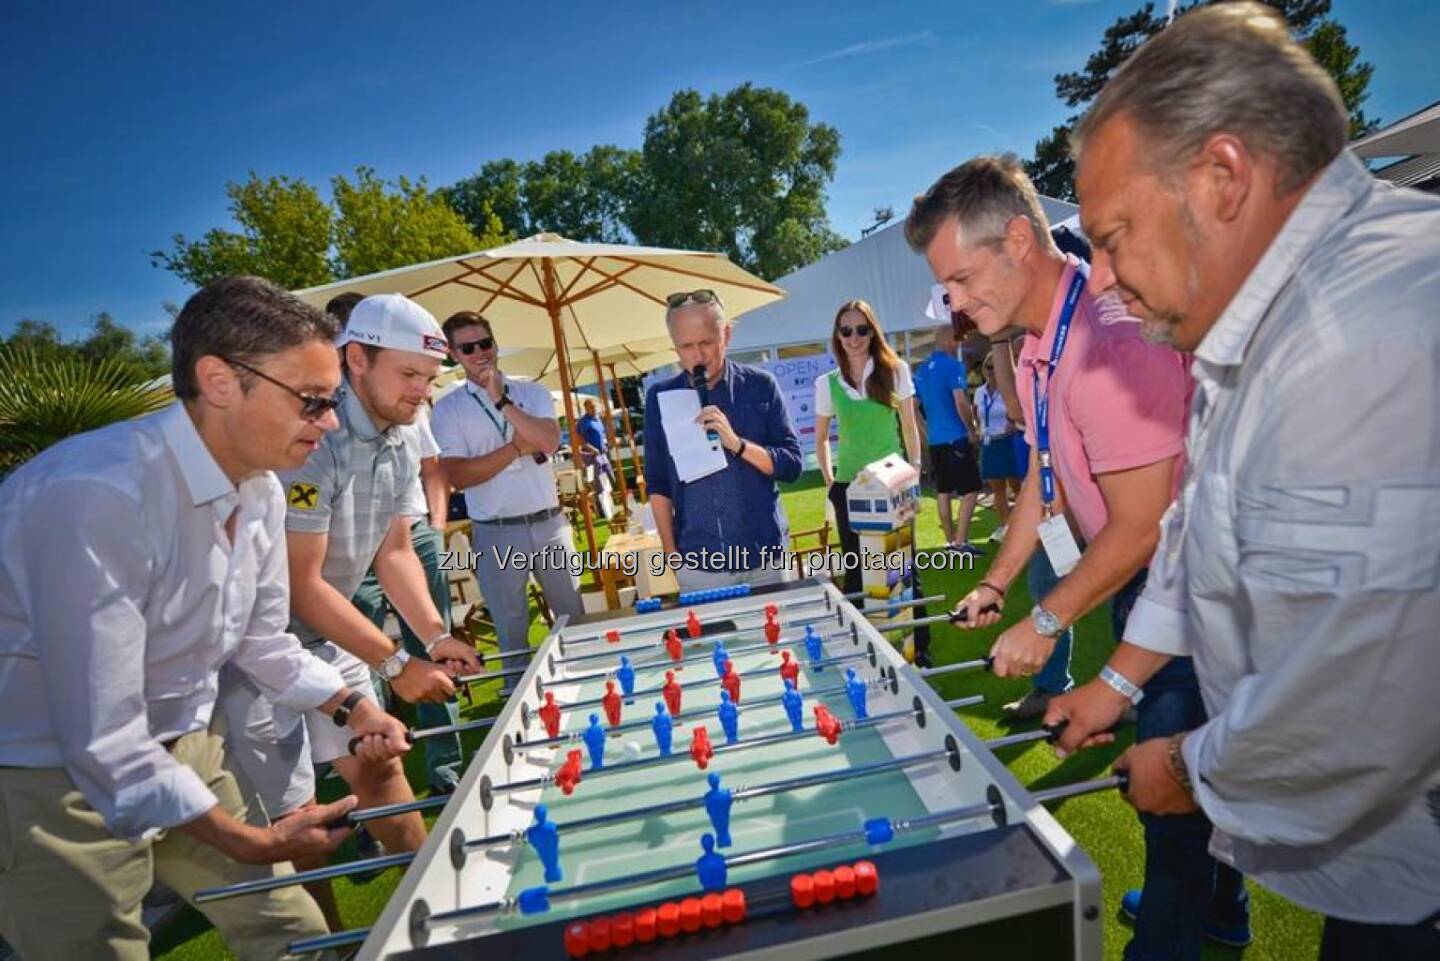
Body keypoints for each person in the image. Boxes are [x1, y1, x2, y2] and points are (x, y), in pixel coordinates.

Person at [1048, 5, 1440, 959]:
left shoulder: (1361, 335)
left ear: (1224, 178)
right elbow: (1197, 537)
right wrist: (1112, 682)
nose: (1100, 279)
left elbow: (1359, 704)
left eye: (1115, 234)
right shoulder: (1260, 324)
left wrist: (1189, 767)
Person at [0, 276, 412, 961]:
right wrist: (255, 839)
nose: (332, 422)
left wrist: (350, 707)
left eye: (333, 401)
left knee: (296, 935)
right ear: (219, 381)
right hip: (44, 780)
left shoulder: (262, 493)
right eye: (313, 402)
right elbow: (103, 739)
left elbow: (260, 640)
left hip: (186, 744)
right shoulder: (94, 496)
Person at [907, 153, 1246, 960]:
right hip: (1158, 588)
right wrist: (996, 582)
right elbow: (1042, 476)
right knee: (1178, 780)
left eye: (958, 278)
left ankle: (1171, 926)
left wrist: (1048, 620)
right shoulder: (1038, 341)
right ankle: (1216, 904)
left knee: (1164, 790)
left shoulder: (1109, 342)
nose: (952, 301)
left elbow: (1141, 525)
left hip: (1193, 595)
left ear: (1018, 239)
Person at [325, 292, 464, 800]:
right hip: (264, 644)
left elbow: (396, 551)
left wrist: (434, 637)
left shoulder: (405, 433)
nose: (422, 392)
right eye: (410, 375)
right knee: (291, 818)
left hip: (328, 634)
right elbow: (299, 583)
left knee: (384, 779)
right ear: (356, 358)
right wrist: (397, 664)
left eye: (429, 378)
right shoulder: (315, 434)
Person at [431, 310, 584, 678]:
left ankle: (585, 682)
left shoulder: (530, 391)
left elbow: (548, 441)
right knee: (512, 631)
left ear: (495, 343)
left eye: (485, 343)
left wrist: (502, 401)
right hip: (496, 530)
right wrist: (515, 448)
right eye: (468, 348)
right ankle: (521, 707)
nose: (479, 352)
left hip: (549, 522)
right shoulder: (448, 409)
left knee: (573, 618)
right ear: (454, 354)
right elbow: (459, 476)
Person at [643, 290, 803, 590]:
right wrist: (670, 555)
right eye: (686, 346)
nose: (698, 356)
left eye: (706, 342)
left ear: (726, 334)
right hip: (700, 566)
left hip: (765, 560)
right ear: (674, 347)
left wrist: (737, 444)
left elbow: (792, 465)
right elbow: (657, 482)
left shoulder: (760, 386)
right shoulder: (659, 398)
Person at [813, 300, 933, 663]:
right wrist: (832, 482)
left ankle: (919, 650)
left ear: (873, 332)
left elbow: (910, 428)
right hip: (849, 489)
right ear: (837, 335)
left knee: (902, 568)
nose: (854, 337)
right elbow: (820, 438)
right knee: (856, 571)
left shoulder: (895, 370)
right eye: (846, 330)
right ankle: (863, 649)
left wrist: (913, 473)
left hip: (892, 486)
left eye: (861, 329)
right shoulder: (827, 383)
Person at [913, 323, 984, 555]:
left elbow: (913, 408)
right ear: (950, 341)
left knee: (943, 491)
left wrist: (925, 433)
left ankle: (950, 541)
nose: (961, 343)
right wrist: (972, 429)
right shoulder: (953, 366)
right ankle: (961, 542)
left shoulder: (922, 370)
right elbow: (960, 401)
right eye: (958, 339)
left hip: (936, 441)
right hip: (956, 437)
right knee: (970, 490)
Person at [974, 353, 1027, 542]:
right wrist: (978, 430)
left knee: (1017, 487)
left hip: (1008, 441)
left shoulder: (1010, 390)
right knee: (997, 489)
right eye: (987, 367)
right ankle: (1006, 527)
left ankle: (1023, 526)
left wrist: (1011, 426)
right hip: (989, 442)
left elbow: (1019, 412)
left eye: (994, 366)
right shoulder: (980, 392)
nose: (990, 371)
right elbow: (976, 412)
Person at [575, 398, 617, 519]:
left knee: (610, 479)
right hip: (592, 456)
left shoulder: (597, 419)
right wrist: (591, 448)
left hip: (603, 454)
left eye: (595, 406)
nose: (594, 409)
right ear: (586, 408)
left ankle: (610, 506)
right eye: (591, 407)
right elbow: (579, 439)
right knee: (599, 484)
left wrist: (607, 444)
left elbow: (601, 435)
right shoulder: (584, 422)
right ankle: (602, 511)